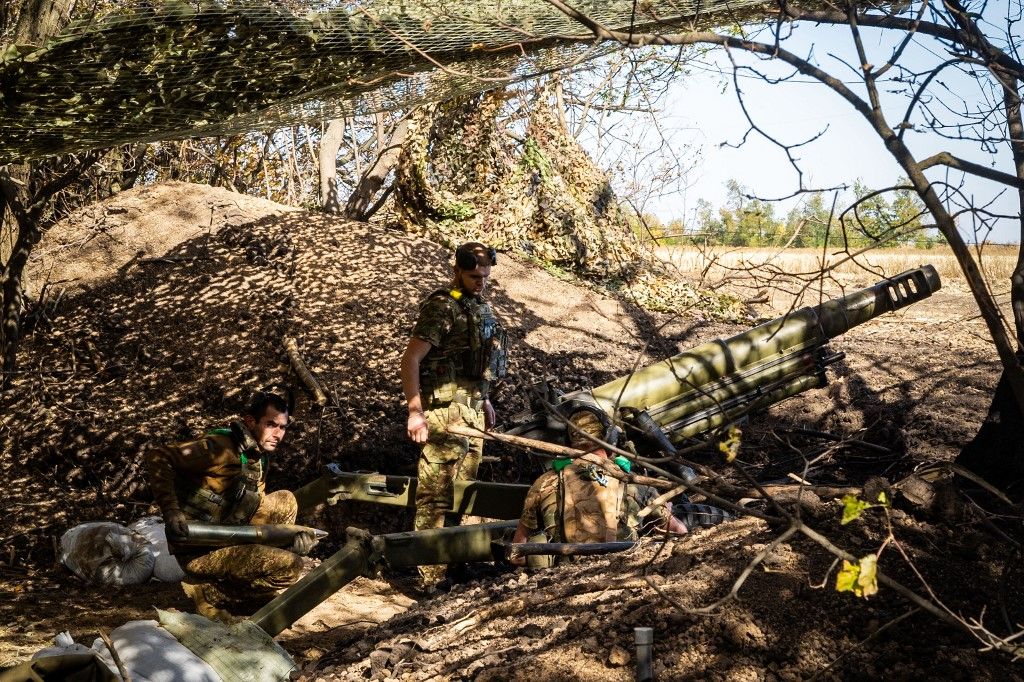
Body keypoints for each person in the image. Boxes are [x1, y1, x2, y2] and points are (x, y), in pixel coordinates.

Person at [144, 390, 316, 621]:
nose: (278, 434)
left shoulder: (257, 455)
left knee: (286, 499)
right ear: (250, 422)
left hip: (230, 536)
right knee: (291, 567)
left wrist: (286, 543)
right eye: (271, 424)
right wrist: (172, 511)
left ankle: (254, 588)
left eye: (283, 427)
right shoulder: (220, 447)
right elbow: (158, 456)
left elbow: (256, 506)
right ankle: (210, 592)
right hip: (199, 550)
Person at [400, 242, 508, 590]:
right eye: (475, 276)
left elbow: (476, 364)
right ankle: (429, 576)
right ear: (457, 271)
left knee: (465, 493)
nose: (481, 282)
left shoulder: (479, 308)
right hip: (443, 414)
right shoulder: (442, 307)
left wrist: (485, 399)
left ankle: (457, 564)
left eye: (486, 277)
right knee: (435, 495)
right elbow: (411, 359)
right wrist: (416, 412)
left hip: (472, 411)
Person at [511, 407, 689, 566]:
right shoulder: (633, 482)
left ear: (568, 441)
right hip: (623, 571)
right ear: (610, 438)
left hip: (566, 576)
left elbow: (516, 555)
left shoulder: (545, 483)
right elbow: (680, 532)